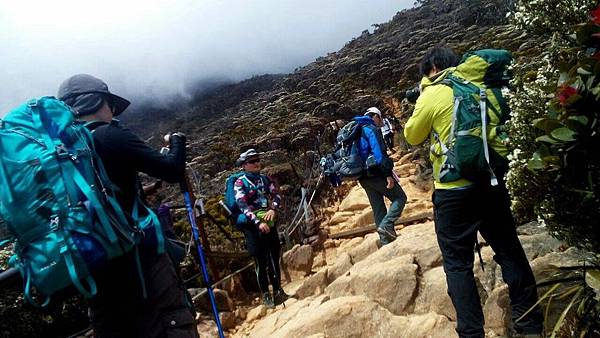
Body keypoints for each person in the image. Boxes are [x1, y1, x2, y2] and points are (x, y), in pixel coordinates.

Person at [404, 47, 543, 338]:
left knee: (457, 266)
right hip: (489, 182)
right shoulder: (481, 85)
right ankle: (529, 324)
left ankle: (471, 333)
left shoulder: (432, 93)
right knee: (509, 251)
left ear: (429, 70)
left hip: (452, 193)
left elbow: (412, 135)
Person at [58, 74, 199, 338]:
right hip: (140, 263)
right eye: (110, 104)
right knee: (168, 322)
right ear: (97, 102)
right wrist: (177, 141)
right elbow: (171, 169)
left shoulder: (60, 153)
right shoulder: (109, 135)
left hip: (95, 269)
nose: (112, 111)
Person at [233, 149, 288, 308]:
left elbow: (276, 195)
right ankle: (266, 294)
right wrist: (258, 222)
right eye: (252, 161)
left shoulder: (265, 179)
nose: (257, 163)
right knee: (260, 260)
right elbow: (242, 205)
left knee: (274, 256)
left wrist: (273, 209)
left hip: (269, 221)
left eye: (257, 160)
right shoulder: (240, 183)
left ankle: (278, 290)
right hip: (253, 227)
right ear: (244, 165)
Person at [356, 107, 407, 245]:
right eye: (380, 117)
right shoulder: (372, 130)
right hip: (376, 174)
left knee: (378, 208)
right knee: (400, 197)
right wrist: (388, 174)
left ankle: (385, 241)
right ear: (375, 117)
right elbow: (379, 155)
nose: (381, 120)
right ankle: (386, 225)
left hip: (362, 177)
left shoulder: (357, 130)